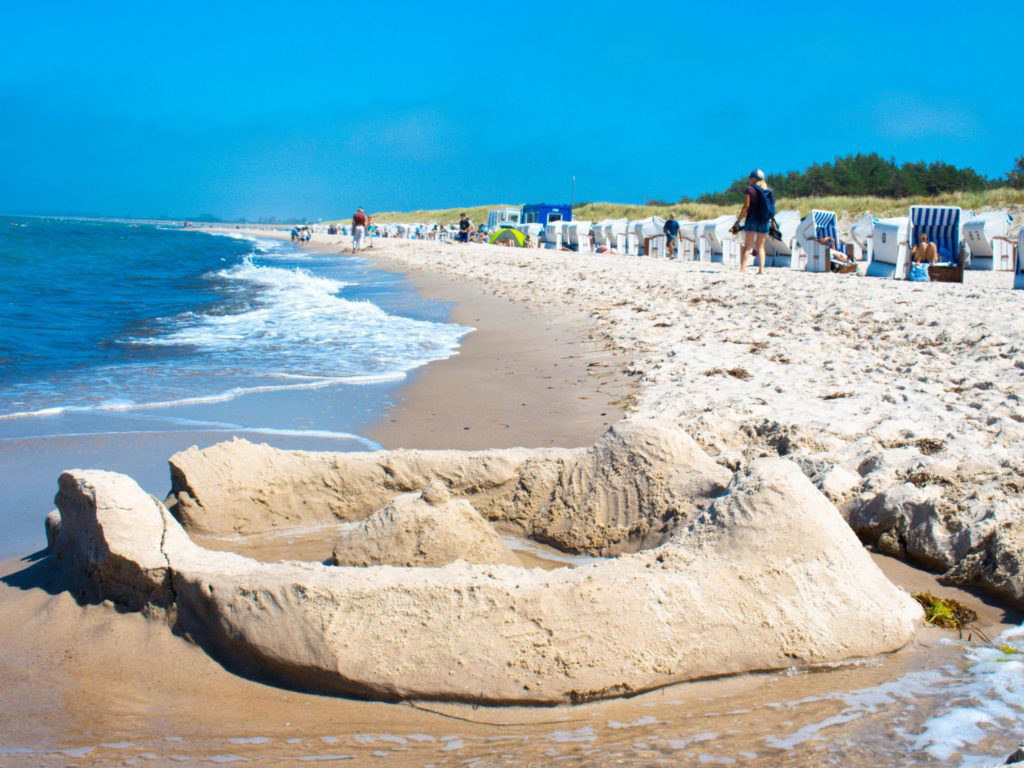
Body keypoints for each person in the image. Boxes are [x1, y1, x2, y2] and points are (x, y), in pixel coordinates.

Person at [736, 169, 773, 274]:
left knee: (748, 246)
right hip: (764, 220)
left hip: (752, 219)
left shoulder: (750, 189)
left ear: (753, 178)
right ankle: (761, 270)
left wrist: (738, 220)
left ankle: (743, 269)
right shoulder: (767, 190)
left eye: (750, 177)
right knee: (761, 246)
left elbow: (746, 206)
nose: (749, 179)